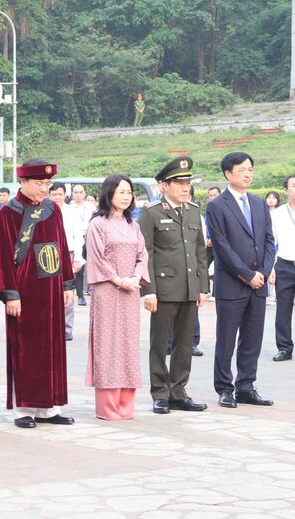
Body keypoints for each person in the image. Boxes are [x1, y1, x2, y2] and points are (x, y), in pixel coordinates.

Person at [0, 159, 75, 429]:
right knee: (25, 349)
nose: (44, 189)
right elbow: (3, 257)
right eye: (39, 184)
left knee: (52, 348)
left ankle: (49, 408)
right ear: (23, 182)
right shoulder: (8, 213)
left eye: (47, 184)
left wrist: (67, 285)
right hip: (24, 292)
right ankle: (23, 409)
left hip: (51, 287)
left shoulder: (52, 209)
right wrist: (10, 294)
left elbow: (62, 247)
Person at [137, 158, 209, 415]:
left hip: (189, 288)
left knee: (184, 343)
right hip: (163, 289)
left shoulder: (192, 210)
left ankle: (178, 391)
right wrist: (149, 291)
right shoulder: (152, 212)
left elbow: (200, 251)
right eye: (179, 183)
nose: (185, 187)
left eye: (187, 183)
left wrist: (202, 287)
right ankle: (160, 392)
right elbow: (145, 254)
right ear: (164, 186)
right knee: (159, 343)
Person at [205, 152, 275, 408]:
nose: (248, 174)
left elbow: (269, 240)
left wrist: (264, 273)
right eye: (242, 170)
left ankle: (246, 386)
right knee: (226, 338)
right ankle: (225, 388)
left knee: (252, 338)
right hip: (233, 284)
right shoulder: (217, 206)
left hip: (259, 284)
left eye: (251, 169)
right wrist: (247, 275)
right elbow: (221, 247)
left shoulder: (258, 204)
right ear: (228, 174)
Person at [86, 175, 149, 420]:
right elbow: (97, 258)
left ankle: (126, 405)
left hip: (130, 292)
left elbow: (142, 255)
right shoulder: (97, 224)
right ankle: (108, 406)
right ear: (109, 194)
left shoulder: (133, 226)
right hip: (107, 291)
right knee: (109, 345)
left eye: (129, 192)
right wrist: (117, 279)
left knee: (128, 345)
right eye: (121, 192)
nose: (126, 196)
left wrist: (134, 277)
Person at [49, 183, 85, 342]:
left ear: (65, 195)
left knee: (67, 292)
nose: (57, 197)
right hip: (49, 254)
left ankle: (66, 329)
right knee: (50, 293)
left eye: (60, 194)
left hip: (68, 255)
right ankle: (51, 328)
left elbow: (78, 237)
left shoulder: (72, 212)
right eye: (54, 194)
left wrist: (78, 258)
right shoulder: (44, 211)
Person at [269, 175, 295, 362]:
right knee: (283, 311)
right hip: (285, 266)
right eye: (294, 186)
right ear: (285, 190)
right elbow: (271, 243)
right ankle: (284, 348)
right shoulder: (277, 214)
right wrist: (270, 268)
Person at [69, 184, 94, 306]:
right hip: (76, 241)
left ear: (84, 193)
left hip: (90, 239)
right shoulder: (68, 208)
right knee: (79, 268)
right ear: (72, 193)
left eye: (80, 192)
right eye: (75, 192)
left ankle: (92, 290)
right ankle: (80, 295)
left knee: (94, 265)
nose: (78, 195)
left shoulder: (91, 207)